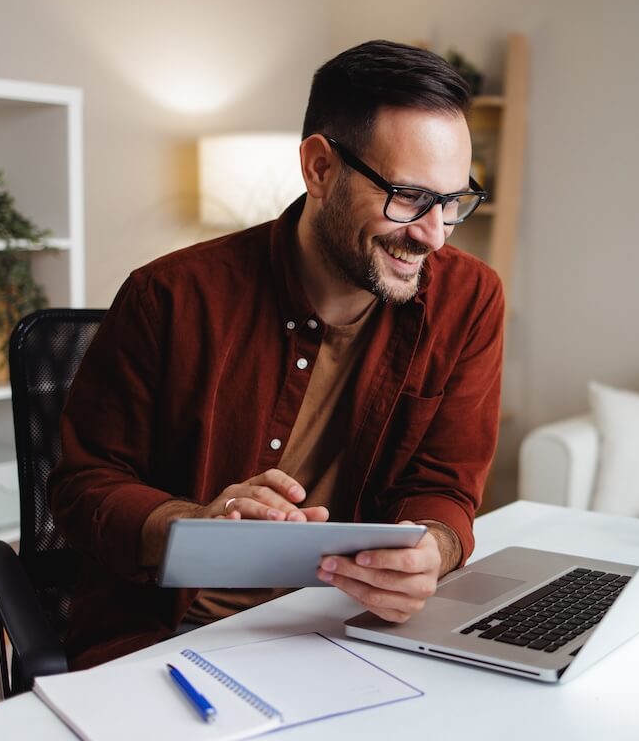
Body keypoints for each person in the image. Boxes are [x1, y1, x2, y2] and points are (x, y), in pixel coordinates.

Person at [48, 40, 504, 669]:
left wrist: (432, 548)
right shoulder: (168, 296)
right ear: (319, 169)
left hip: (351, 629)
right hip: (169, 638)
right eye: (409, 197)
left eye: (452, 201)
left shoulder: (471, 299)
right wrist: (191, 523)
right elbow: (81, 487)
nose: (433, 235)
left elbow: (444, 483)